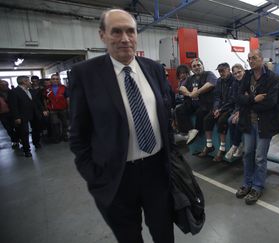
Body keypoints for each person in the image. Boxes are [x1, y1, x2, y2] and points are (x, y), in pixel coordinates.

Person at [69, 9, 175, 243]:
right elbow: (77, 135)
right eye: (116, 31)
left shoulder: (154, 69)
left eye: (130, 31)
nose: (125, 38)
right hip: (115, 177)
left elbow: (165, 115)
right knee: (129, 238)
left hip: (157, 171)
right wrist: (94, 176)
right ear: (102, 35)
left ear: (137, 35)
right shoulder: (85, 74)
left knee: (164, 233)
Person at [235, 49, 279, 205]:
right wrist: (254, 99)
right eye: (249, 58)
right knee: (248, 153)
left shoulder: (273, 78)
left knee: (260, 157)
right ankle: (247, 183)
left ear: (261, 59)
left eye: (254, 58)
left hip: (264, 124)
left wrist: (249, 101)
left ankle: (257, 186)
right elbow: (239, 97)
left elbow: (270, 102)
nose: (251, 61)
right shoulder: (247, 76)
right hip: (249, 122)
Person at [199, 62, 237, 161]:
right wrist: (216, 108)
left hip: (230, 108)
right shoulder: (219, 81)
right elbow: (216, 97)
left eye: (223, 70)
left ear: (228, 70)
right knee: (207, 119)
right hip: (219, 108)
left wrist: (220, 110)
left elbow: (232, 100)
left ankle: (222, 148)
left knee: (222, 121)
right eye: (219, 71)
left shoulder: (234, 81)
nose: (220, 73)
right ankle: (209, 145)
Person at [175, 58, 217, 144]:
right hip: (192, 103)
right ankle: (189, 131)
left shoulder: (209, 74)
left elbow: (211, 84)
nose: (197, 67)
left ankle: (197, 132)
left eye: (198, 65)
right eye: (194, 66)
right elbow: (182, 88)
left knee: (200, 112)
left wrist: (197, 92)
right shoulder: (190, 78)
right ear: (191, 69)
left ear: (202, 66)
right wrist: (190, 94)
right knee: (179, 109)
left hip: (205, 103)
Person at [9, 76, 47, 157]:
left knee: (36, 129)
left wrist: (43, 110)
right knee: (24, 133)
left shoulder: (31, 91)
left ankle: (36, 143)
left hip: (34, 114)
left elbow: (37, 102)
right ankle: (27, 150)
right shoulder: (15, 92)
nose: (30, 82)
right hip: (22, 116)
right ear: (24, 82)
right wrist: (16, 117)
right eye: (29, 81)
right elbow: (13, 106)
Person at [225, 64, 245, 160]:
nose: (237, 75)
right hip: (238, 108)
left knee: (238, 122)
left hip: (247, 109)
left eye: (239, 72)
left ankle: (235, 146)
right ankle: (238, 144)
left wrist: (240, 112)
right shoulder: (235, 84)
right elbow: (235, 99)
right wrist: (236, 111)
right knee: (230, 120)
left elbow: (248, 100)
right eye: (235, 73)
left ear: (243, 71)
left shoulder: (248, 82)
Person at [46, 73, 69, 142]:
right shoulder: (47, 89)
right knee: (55, 124)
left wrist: (69, 107)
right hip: (53, 110)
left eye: (57, 79)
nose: (55, 80)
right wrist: (46, 109)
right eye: (53, 79)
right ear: (51, 80)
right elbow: (44, 99)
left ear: (59, 80)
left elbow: (68, 98)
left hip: (63, 109)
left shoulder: (64, 88)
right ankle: (57, 137)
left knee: (65, 123)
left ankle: (65, 136)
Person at [0, 80, 19, 149]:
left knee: (17, 127)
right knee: (9, 129)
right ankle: (14, 140)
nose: (5, 86)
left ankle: (19, 138)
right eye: (2, 85)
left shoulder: (12, 92)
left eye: (6, 85)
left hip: (13, 113)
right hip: (3, 114)